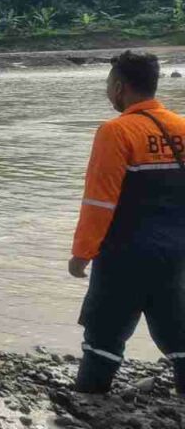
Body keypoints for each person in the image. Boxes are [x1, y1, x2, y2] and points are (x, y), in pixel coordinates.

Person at [69, 51, 185, 394]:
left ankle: (89, 400)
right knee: (177, 333)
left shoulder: (115, 132)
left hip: (124, 256)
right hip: (175, 254)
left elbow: (98, 203)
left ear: (119, 87)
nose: (108, 93)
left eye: (108, 85)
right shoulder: (182, 128)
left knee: (103, 336)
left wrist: (82, 253)